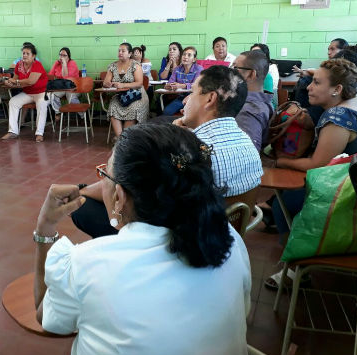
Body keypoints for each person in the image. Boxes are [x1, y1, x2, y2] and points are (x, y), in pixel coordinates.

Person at [33, 124, 251, 355]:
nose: (102, 181)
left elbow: (46, 317)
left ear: (120, 197)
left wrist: (45, 227)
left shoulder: (87, 264)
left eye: (105, 174)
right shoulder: (229, 237)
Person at [72, 66, 263, 238]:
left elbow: (127, 190)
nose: (186, 99)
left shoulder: (190, 152)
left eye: (192, 92)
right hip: (224, 235)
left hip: (179, 240)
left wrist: (82, 190)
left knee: (84, 206)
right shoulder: (249, 145)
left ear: (210, 99)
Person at [265, 58, 357, 290]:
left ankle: (296, 269)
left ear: (337, 90)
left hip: (349, 195)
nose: (308, 87)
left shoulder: (337, 119)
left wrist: (282, 161)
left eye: (316, 82)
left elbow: (318, 164)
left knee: (284, 202)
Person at [1, 43, 49, 142]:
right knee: (13, 102)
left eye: (27, 53)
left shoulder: (37, 65)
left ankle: (39, 133)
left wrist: (16, 82)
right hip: (28, 93)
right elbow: (15, 79)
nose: (25, 55)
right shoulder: (19, 65)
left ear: (33, 56)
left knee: (42, 104)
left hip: (41, 93)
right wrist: (9, 83)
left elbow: (31, 81)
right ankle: (13, 131)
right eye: (23, 53)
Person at [103, 43, 149, 140]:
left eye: (123, 51)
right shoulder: (113, 66)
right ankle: (122, 139)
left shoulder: (135, 65)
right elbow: (106, 82)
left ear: (129, 53)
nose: (120, 53)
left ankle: (124, 138)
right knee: (113, 106)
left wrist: (123, 85)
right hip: (120, 95)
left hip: (137, 95)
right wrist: (108, 84)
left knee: (133, 108)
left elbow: (139, 83)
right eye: (119, 50)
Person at [233, 50, 274, 152]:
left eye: (235, 68)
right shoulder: (261, 101)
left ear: (251, 74)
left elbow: (247, 155)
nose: (230, 72)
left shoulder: (248, 112)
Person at [162, 46, 203, 116]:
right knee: (166, 112)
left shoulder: (199, 69)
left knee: (190, 115)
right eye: (184, 54)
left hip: (194, 97)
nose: (185, 57)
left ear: (194, 59)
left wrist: (182, 85)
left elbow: (196, 85)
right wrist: (169, 86)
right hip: (180, 97)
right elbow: (170, 82)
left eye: (189, 55)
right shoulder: (177, 69)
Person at [48, 47, 80, 122]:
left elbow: (66, 77)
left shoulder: (72, 63)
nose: (61, 57)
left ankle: (82, 115)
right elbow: (50, 76)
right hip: (61, 88)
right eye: (60, 55)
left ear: (68, 56)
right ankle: (58, 112)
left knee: (71, 97)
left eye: (64, 55)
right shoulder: (57, 63)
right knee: (52, 95)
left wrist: (64, 64)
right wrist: (55, 64)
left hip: (73, 88)